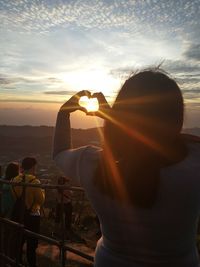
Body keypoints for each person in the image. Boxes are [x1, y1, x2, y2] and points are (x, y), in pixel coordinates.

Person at [52, 70, 200, 267]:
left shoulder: (92, 164)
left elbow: (60, 153)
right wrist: (115, 118)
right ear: (177, 118)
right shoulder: (193, 169)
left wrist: (64, 112)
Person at [12, 157, 45, 267]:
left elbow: (14, 196)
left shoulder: (14, 180)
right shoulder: (34, 181)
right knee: (32, 242)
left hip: (19, 214)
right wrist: (43, 192)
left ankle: (18, 260)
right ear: (32, 167)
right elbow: (40, 200)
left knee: (19, 239)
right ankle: (32, 263)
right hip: (33, 215)